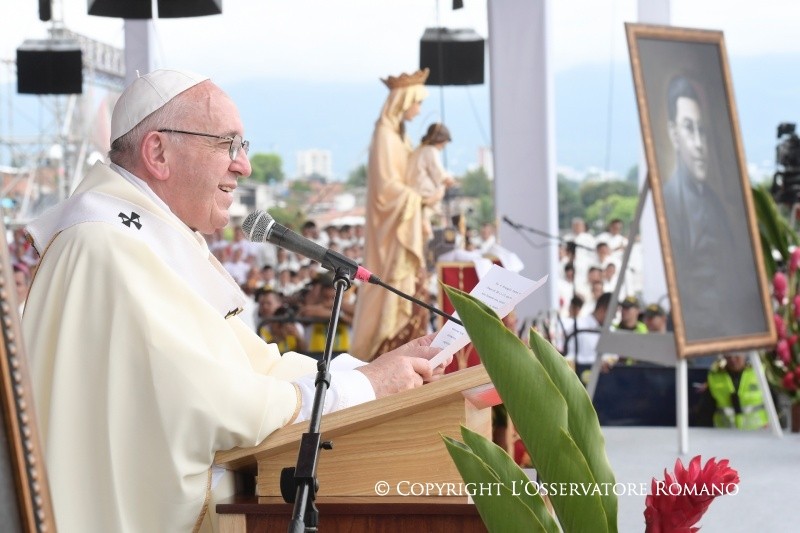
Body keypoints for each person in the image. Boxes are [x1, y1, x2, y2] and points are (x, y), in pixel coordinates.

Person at [22, 69, 450, 532]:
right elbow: (209, 402)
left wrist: (372, 373)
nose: (243, 165)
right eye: (227, 144)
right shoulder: (105, 246)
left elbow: (252, 369)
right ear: (158, 152)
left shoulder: (143, 238)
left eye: (241, 147)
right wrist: (366, 389)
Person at [662, 74, 766, 341]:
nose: (698, 144)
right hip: (699, 333)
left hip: (728, 331)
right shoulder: (670, 203)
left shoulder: (714, 202)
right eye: (688, 128)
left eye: (702, 131)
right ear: (674, 134)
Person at [351, 68, 431, 361]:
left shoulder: (399, 135)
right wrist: (416, 196)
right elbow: (386, 189)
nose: (419, 109)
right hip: (393, 231)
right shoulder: (385, 135)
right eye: (417, 103)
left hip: (404, 224)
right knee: (392, 294)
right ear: (404, 100)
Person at [406, 122, 456, 240]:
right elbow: (440, 175)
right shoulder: (431, 151)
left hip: (414, 199)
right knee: (430, 238)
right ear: (441, 140)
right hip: (424, 199)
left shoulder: (418, 150)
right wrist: (450, 181)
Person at [705, 353, 768, 430]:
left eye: (737, 355)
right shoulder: (714, 376)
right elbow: (706, 408)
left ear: (745, 354)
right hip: (724, 434)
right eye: (729, 355)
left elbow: (775, 402)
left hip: (758, 432)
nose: (732, 359)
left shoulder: (760, 372)